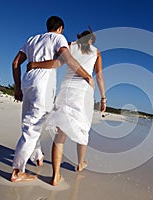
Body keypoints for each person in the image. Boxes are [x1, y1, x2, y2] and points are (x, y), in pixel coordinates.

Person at [11, 16, 94, 182]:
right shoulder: (58, 38)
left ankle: (37, 156)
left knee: (29, 123)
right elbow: (66, 60)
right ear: (61, 28)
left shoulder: (32, 39)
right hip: (43, 86)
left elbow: (15, 63)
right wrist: (87, 77)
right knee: (33, 127)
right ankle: (17, 171)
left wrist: (17, 86)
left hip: (27, 83)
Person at [28, 28, 106, 186]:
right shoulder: (96, 53)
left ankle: (55, 175)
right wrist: (103, 98)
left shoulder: (69, 46)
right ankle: (80, 163)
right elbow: (99, 77)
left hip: (67, 91)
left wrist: (36, 64)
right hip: (83, 94)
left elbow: (56, 63)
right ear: (91, 41)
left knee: (60, 133)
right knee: (83, 129)